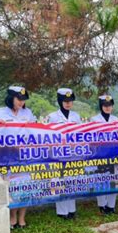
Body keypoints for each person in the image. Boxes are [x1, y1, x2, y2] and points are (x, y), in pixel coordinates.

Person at [0, 86, 36, 228]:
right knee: (10, 187)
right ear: (11, 98)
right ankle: (12, 217)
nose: (21, 103)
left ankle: (22, 218)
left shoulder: (27, 113)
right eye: (19, 99)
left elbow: (35, 132)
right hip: (6, 156)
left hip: (24, 155)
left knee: (24, 186)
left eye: (23, 100)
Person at [47, 88, 80, 220]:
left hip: (73, 153)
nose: (68, 103)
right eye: (65, 101)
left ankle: (72, 210)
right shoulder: (53, 116)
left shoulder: (76, 116)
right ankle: (62, 212)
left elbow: (80, 134)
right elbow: (49, 135)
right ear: (60, 101)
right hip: (58, 153)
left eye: (70, 101)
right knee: (59, 182)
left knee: (71, 181)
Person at [90, 94, 118, 214]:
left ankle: (111, 205)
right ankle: (102, 205)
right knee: (100, 179)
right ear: (101, 106)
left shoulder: (115, 119)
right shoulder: (94, 119)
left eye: (109, 105)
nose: (107, 108)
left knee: (113, 178)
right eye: (105, 105)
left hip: (113, 153)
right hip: (100, 153)